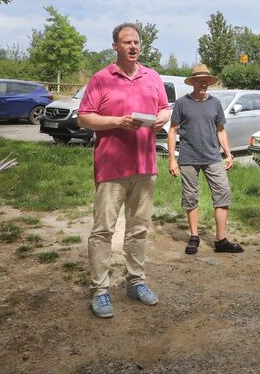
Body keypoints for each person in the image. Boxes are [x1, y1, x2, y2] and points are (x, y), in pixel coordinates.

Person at [78, 22, 171, 318]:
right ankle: (100, 290)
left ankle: (135, 281)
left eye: (137, 42)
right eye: (126, 42)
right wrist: (118, 122)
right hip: (111, 168)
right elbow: (84, 118)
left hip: (145, 166)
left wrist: (160, 117)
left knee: (139, 229)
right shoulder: (101, 79)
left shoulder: (152, 77)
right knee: (103, 230)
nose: (133, 47)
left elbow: (166, 108)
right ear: (115, 46)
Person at [167, 64, 243, 255]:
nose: (203, 83)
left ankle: (221, 240)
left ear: (209, 82)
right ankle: (194, 236)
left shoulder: (215, 103)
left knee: (223, 194)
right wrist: (172, 160)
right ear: (192, 82)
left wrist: (228, 152)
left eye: (206, 80)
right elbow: (173, 130)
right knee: (190, 197)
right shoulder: (182, 103)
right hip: (188, 158)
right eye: (199, 80)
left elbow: (220, 130)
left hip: (212, 157)